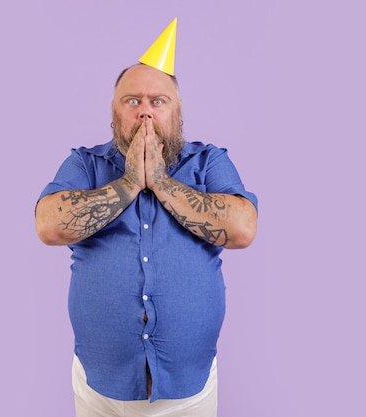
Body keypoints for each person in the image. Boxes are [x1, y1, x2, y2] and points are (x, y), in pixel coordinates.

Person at [35, 19, 258, 417]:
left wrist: (159, 181)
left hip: (189, 390)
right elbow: (49, 225)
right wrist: (128, 184)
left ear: (177, 112)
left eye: (158, 101)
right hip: (99, 388)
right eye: (132, 100)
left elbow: (242, 229)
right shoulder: (85, 163)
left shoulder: (208, 162)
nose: (145, 113)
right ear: (114, 111)